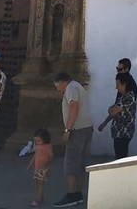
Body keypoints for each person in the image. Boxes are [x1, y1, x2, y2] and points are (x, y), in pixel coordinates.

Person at [52, 72, 93, 208]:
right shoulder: (77, 86)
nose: (57, 89)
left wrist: (67, 129)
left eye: (57, 86)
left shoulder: (71, 88)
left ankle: (71, 194)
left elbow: (73, 106)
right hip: (86, 128)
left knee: (71, 163)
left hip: (77, 131)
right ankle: (78, 194)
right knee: (81, 163)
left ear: (62, 81)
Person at [98, 71, 137, 159]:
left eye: (118, 85)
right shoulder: (122, 96)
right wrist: (105, 123)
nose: (116, 87)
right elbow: (114, 112)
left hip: (123, 133)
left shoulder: (128, 97)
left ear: (124, 84)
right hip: (119, 134)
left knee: (121, 157)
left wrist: (111, 109)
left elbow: (113, 111)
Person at [25, 127, 54, 207]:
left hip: (43, 168)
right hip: (37, 168)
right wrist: (30, 165)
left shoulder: (47, 147)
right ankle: (41, 198)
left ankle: (38, 200)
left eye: (39, 140)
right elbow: (35, 156)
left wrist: (47, 165)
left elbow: (51, 157)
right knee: (38, 183)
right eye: (36, 141)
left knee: (40, 184)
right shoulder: (38, 146)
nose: (37, 142)